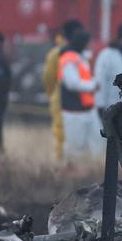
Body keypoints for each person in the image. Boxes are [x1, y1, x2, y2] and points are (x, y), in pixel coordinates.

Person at [42, 19, 83, 160]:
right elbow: (49, 79)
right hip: (62, 102)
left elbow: (48, 80)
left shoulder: (67, 52)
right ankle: (61, 166)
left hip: (71, 102)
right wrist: (54, 96)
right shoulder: (58, 53)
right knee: (61, 135)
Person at [59, 28, 102, 160]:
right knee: (74, 149)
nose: (91, 45)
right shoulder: (68, 59)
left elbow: (84, 79)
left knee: (97, 146)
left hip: (87, 109)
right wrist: (93, 86)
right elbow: (72, 83)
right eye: (89, 42)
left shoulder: (79, 58)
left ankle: (94, 172)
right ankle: (72, 175)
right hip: (74, 111)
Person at [93, 23, 122, 112]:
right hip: (109, 106)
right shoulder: (107, 55)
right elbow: (100, 80)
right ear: (121, 39)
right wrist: (100, 104)